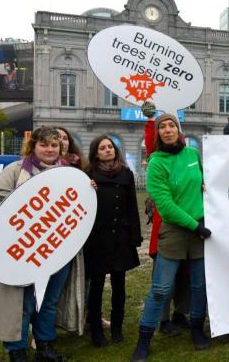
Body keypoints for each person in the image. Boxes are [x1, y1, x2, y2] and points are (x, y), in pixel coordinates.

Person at [0, 127, 81, 362]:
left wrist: (87, 191)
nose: (49, 149)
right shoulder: (16, 170)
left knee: (47, 300)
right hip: (24, 251)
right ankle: (17, 350)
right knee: (22, 302)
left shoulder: (69, 174)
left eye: (54, 145)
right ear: (33, 146)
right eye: (44, 144)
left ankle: (45, 346)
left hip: (57, 250)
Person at [133, 114, 211, 360]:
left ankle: (197, 330)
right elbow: (164, 205)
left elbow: (203, 182)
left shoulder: (192, 155)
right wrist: (194, 226)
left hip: (200, 228)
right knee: (161, 288)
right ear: (157, 134)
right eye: (162, 127)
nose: (168, 130)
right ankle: (144, 339)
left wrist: (206, 187)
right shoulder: (156, 162)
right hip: (176, 231)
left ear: (179, 130)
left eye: (172, 126)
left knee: (199, 286)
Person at [84, 135, 142, 347]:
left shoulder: (125, 173)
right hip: (97, 238)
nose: (107, 150)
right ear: (96, 152)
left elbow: (132, 206)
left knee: (120, 285)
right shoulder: (88, 174)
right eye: (102, 148)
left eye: (110, 147)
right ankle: (96, 331)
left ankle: (117, 327)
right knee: (97, 286)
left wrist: (135, 235)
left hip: (121, 236)